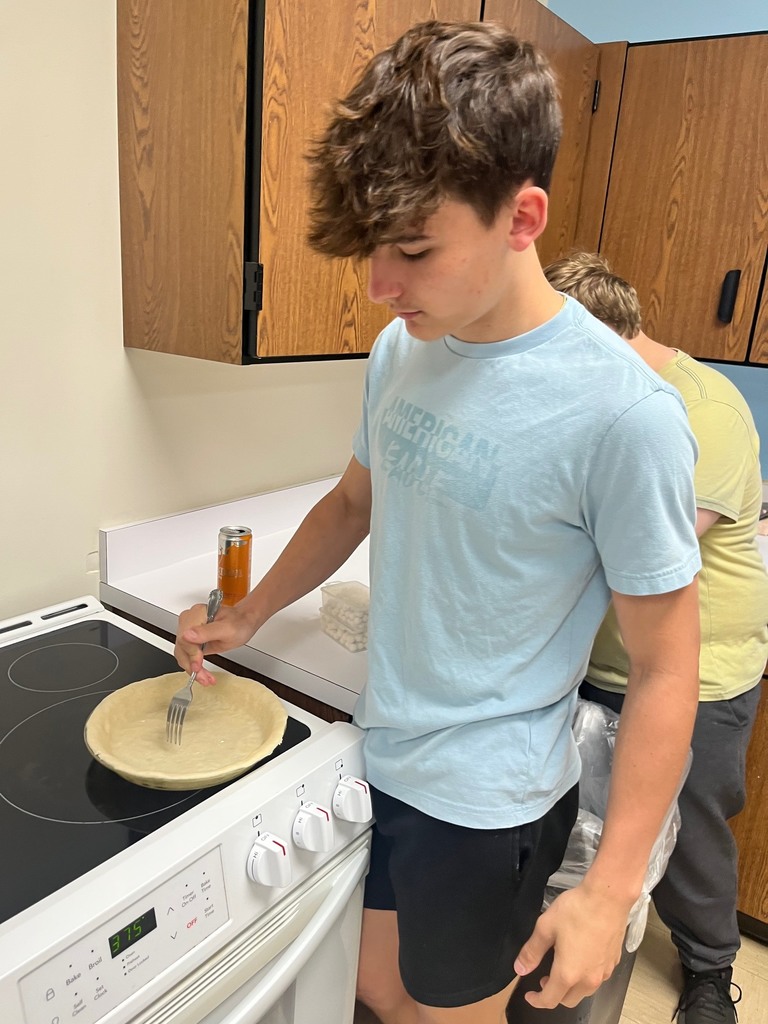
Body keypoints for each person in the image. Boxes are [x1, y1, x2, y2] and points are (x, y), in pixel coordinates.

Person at [175, 23, 703, 1024]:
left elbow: (669, 669)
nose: (381, 286)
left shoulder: (623, 415)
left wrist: (612, 886)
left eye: (414, 251)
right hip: (381, 750)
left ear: (521, 217)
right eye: (374, 250)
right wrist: (246, 613)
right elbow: (353, 503)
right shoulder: (402, 349)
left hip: (489, 803)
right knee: (372, 988)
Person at [545, 251, 768, 1024]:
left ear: (599, 341)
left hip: (696, 673)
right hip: (599, 659)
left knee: (689, 831)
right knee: (593, 821)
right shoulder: (601, 400)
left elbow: (639, 549)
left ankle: (710, 968)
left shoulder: (703, 415)